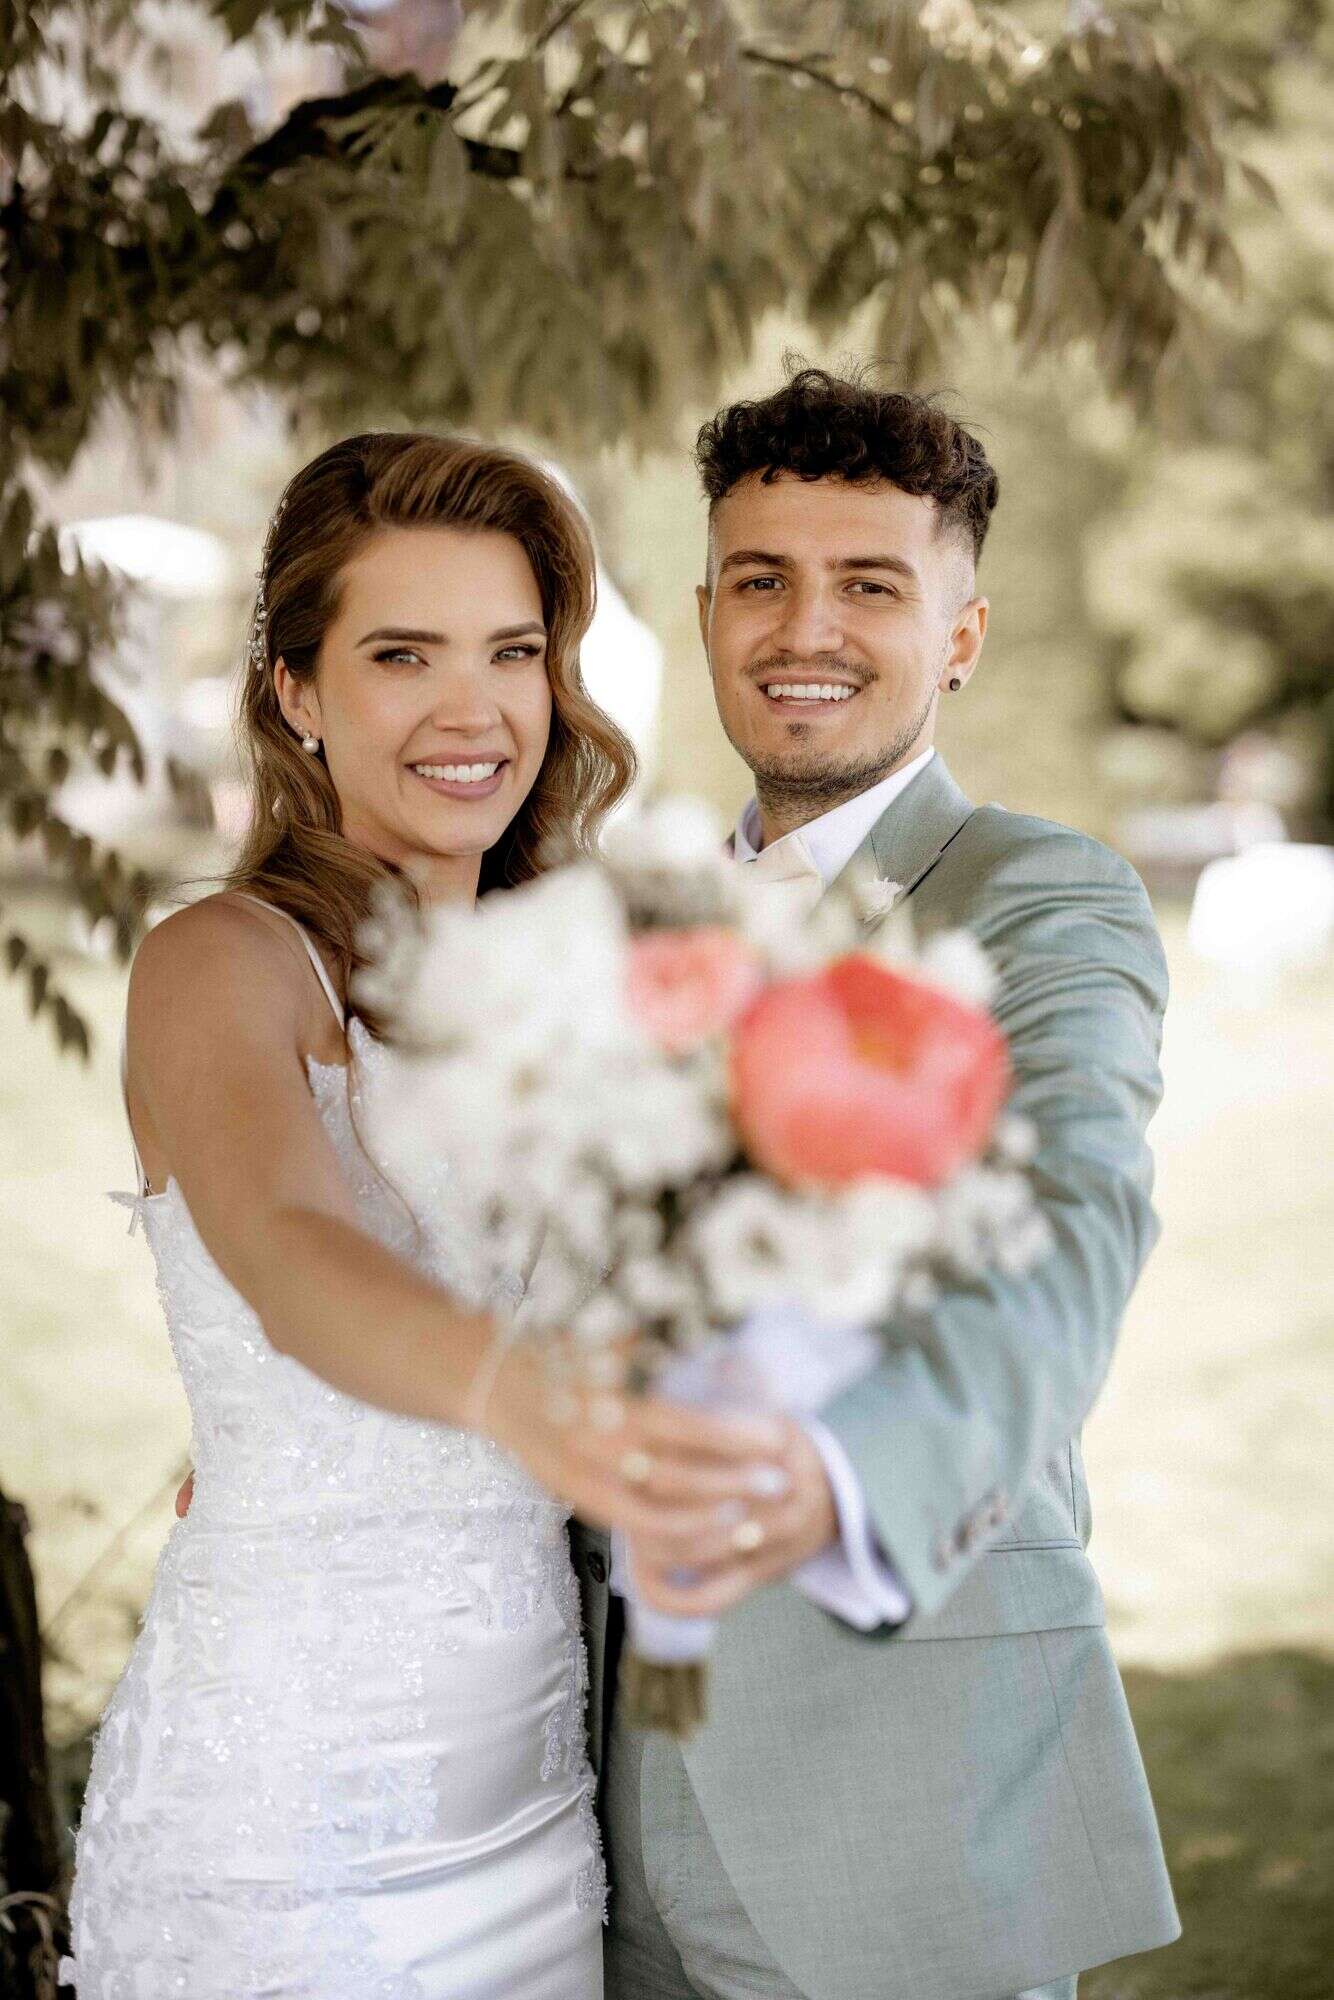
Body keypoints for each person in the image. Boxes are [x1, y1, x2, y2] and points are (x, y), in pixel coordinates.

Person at [62, 432, 799, 2000]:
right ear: (297, 693)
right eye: (403, 656)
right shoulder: (221, 962)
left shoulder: (578, 990)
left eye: (512, 653)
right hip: (281, 1829)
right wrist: (512, 1393)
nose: (473, 712)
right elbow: (289, 1249)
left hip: (536, 1813)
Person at [575, 369, 1182, 2000]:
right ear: (707, 613)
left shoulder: (1037, 901)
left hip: (901, 1771)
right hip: (592, 1788)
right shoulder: (624, 926)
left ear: (959, 636)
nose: (804, 630)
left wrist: (845, 1477)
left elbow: (1069, 1233)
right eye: (760, 581)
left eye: (867, 586)